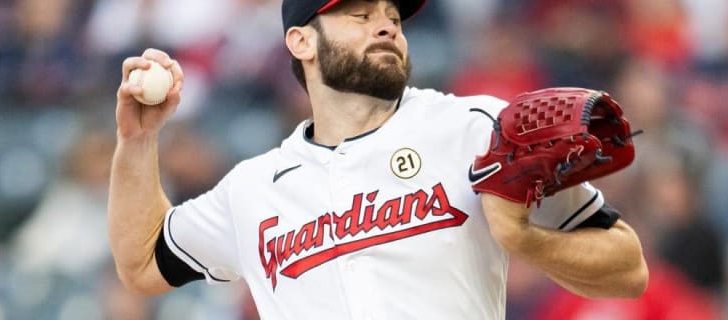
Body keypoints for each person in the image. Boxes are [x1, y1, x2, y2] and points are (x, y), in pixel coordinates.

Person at [108, 0, 648, 318]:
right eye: (359, 14)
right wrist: (137, 144)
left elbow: (628, 267)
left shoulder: (476, 127)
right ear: (302, 42)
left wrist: (526, 240)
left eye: (391, 14)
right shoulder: (253, 188)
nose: (387, 25)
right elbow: (142, 263)